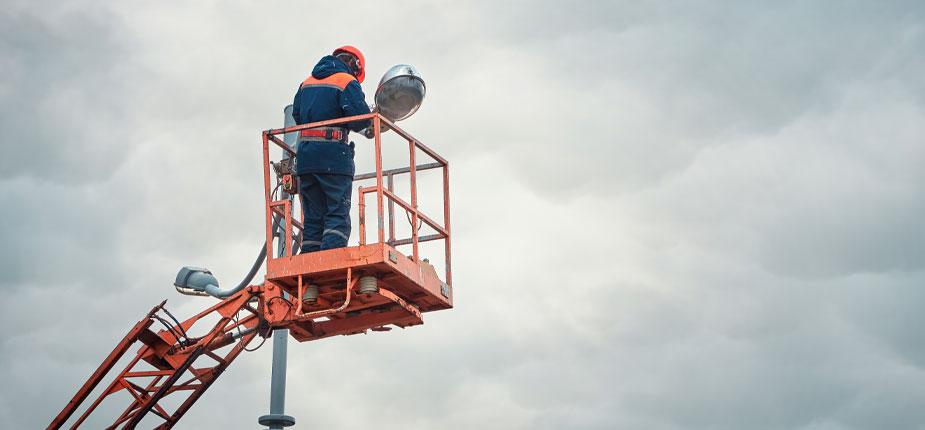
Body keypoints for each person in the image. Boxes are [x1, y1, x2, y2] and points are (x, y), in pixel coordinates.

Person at [292, 46, 372, 253]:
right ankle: (330, 265)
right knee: (337, 215)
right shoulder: (346, 81)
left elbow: (297, 115)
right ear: (355, 64)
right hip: (333, 158)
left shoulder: (306, 84)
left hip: (306, 158)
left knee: (313, 220)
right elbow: (360, 120)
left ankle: (310, 272)